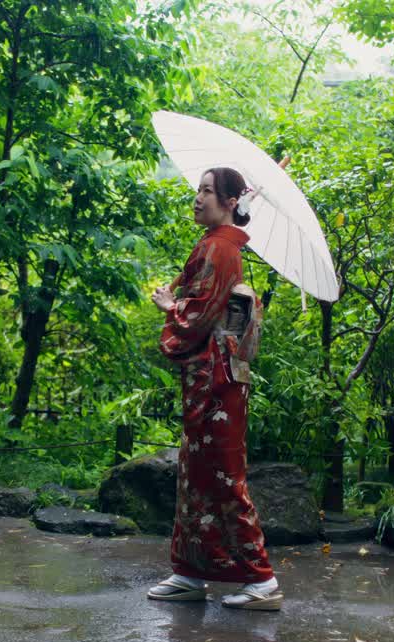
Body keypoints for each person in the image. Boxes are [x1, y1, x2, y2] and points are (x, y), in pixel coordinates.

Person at [146, 167, 282, 612]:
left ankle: (262, 581)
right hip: (213, 377)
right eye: (199, 189)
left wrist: (172, 306)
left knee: (223, 477)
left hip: (218, 380)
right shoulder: (214, 245)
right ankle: (191, 571)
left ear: (228, 202)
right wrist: (181, 299)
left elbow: (200, 318)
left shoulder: (221, 249)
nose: (198, 197)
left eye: (207, 191)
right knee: (198, 474)